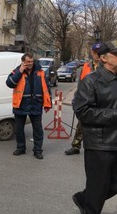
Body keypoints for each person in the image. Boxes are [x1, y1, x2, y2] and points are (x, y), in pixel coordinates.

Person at [72, 40, 117, 214]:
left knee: (110, 185)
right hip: (100, 144)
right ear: (104, 58)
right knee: (98, 188)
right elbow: (83, 112)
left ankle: (84, 198)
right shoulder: (91, 81)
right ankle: (89, 204)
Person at [6, 53, 52, 160]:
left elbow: (46, 88)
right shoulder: (17, 71)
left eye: (32, 61)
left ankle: (38, 151)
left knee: (38, 130)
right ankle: (21, 148)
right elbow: (9, 83)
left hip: (36, 104)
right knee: (19, 129)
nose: (30, 63)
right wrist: (20, 71)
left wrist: (47, 103)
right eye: (28, 62)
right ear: (23, 62)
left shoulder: (40, 72)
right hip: (20, 104)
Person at [65, 43, 101, 155]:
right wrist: (76, 98)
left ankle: (98, 148)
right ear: (92, 52)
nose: (97, 54)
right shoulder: (86, 66)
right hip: (86, 100)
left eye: (99, 52)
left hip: (101, 100)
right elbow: (80, 84)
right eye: (95, 52)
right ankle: (75, 146)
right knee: (81, 124)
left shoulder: (107, 66)